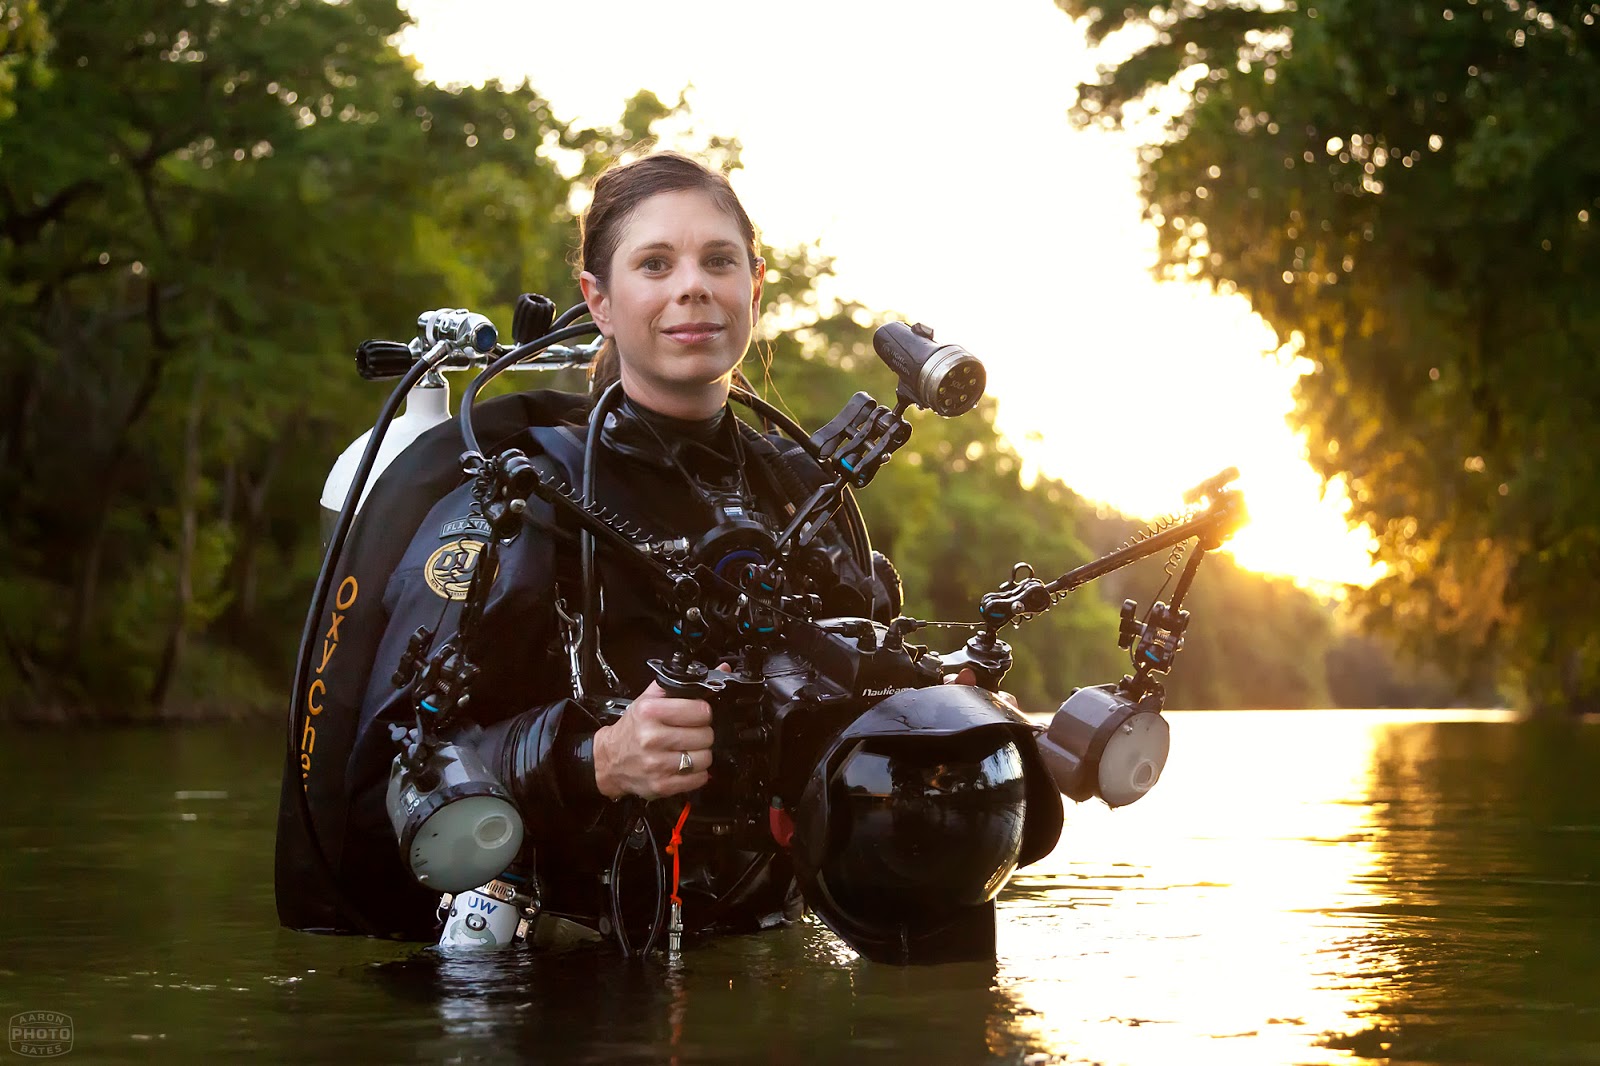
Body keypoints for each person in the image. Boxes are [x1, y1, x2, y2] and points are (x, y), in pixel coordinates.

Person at [274, 152, 898, 943]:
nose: (692, 287)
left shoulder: (802, 494)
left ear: (756, 285)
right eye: (655, 264)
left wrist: (939, 719)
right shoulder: (525, 497)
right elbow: (390, 776)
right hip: (554, 967)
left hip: (765, 941)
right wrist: (594, 758)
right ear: (598, 300)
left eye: (718, 261)